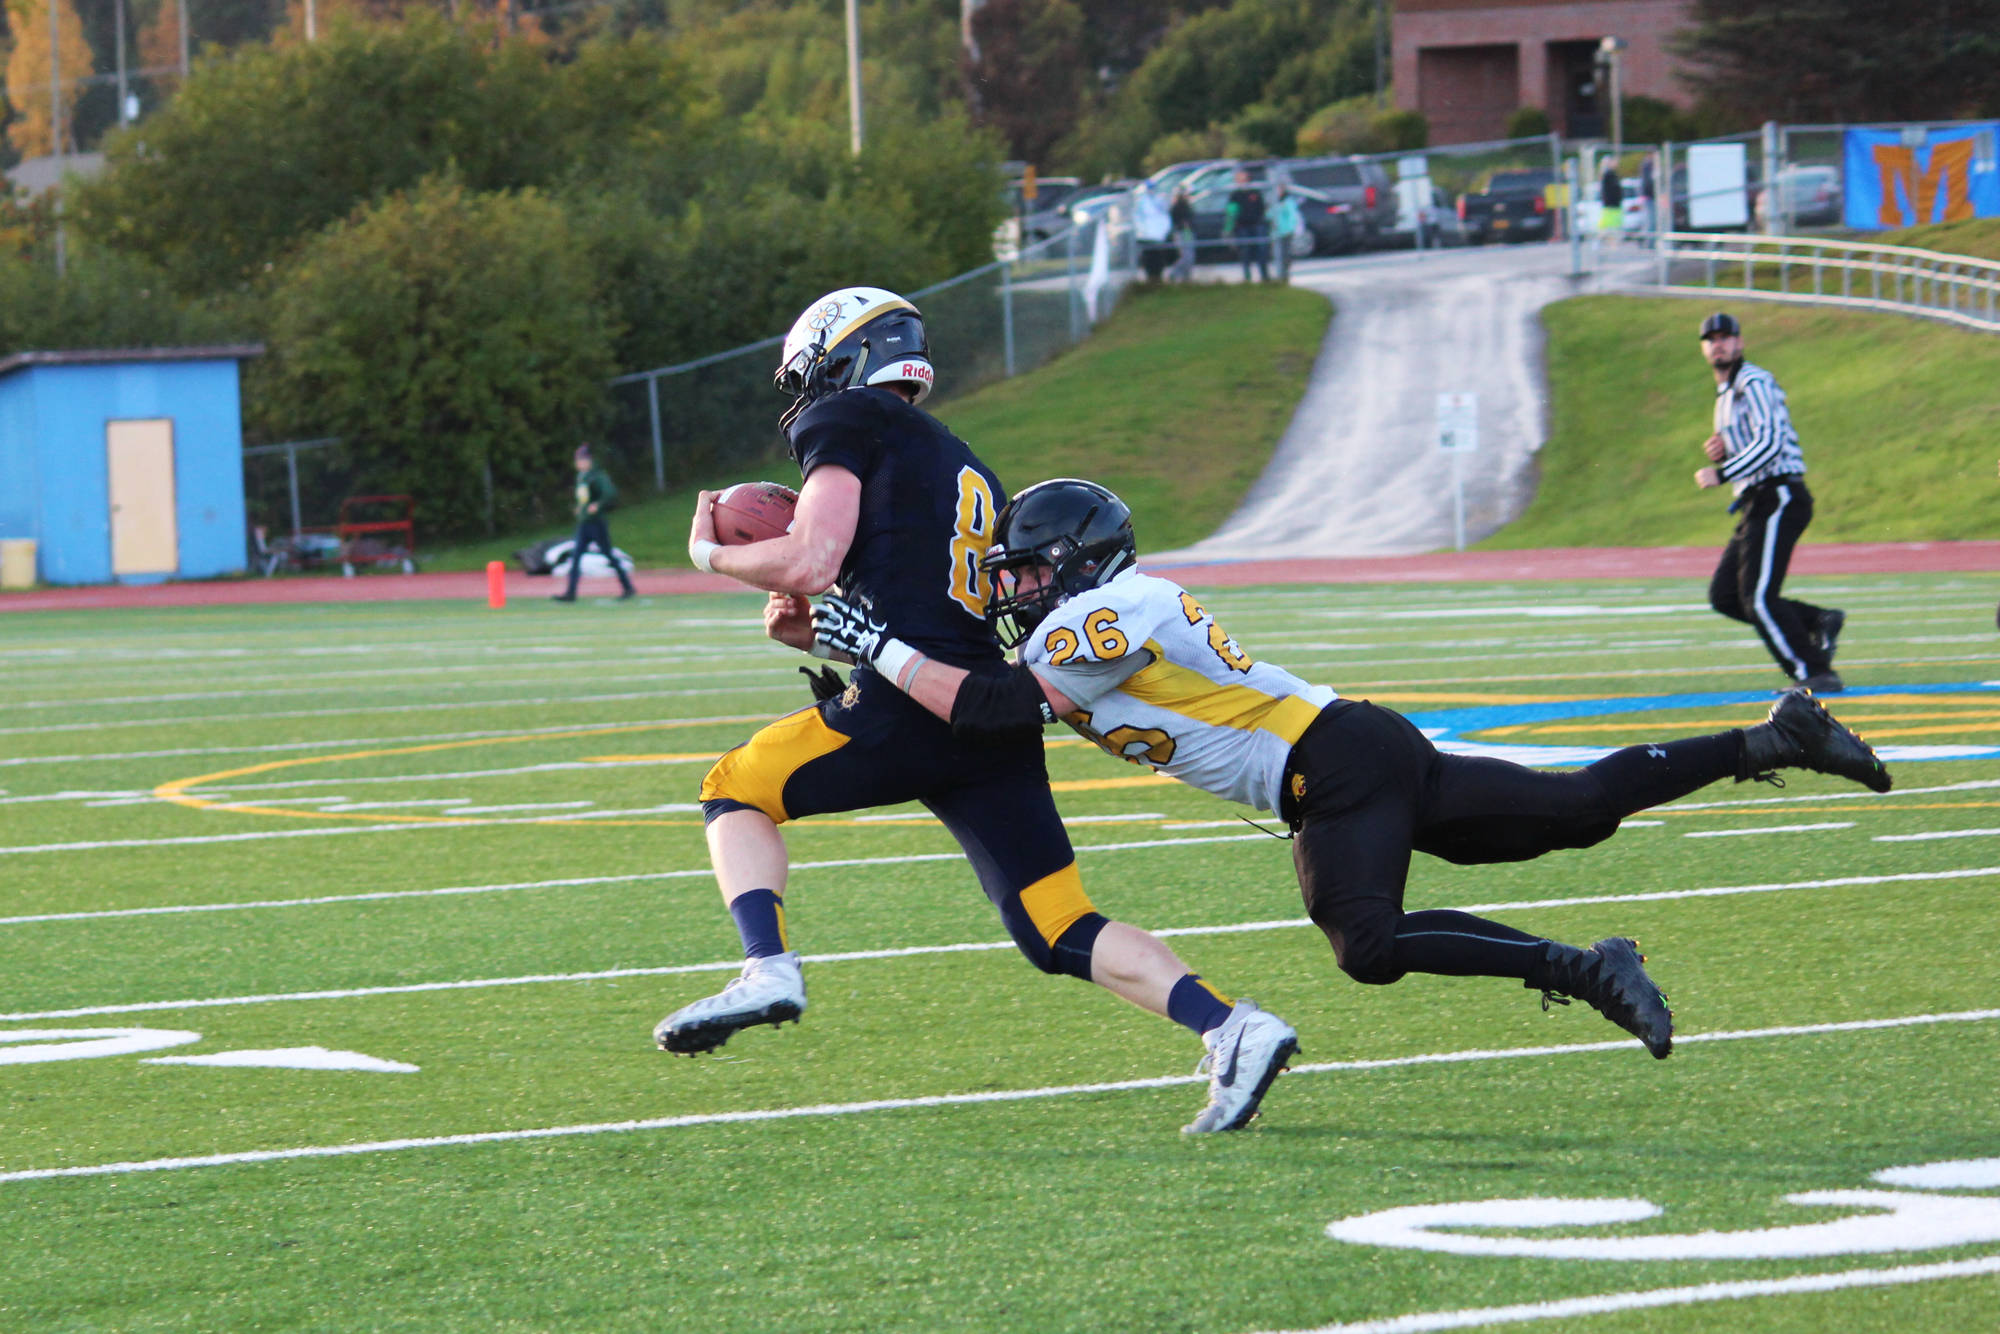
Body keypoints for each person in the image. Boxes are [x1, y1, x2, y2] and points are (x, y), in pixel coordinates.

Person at [813, 479, 1894, 1063]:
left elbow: (996, 705)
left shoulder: (1109, 609)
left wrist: (882, 648)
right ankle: (1775, 738)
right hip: (1351, 748)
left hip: (1329, 767)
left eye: (1029, 568)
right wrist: (865, 701)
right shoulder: (1087, 625)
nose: (1014, 588)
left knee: (1365, 942)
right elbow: (982, 722)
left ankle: (1585, 968)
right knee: (1574, 808)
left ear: (1080, 559)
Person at [660, 288, 1300, 1135]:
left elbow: (812, 560)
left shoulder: (845, 416)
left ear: (841, 357)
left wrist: (709, 554)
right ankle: (1231, 1027)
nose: (803, 392)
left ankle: (766, 967)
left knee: (732, 788)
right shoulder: (960, 460)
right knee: (1056, 923)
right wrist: (822, 635)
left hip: (909, 707)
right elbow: (922, 607)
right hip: (982, 710)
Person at [1694, 311, 1844, 692]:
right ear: (1704, 349)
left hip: (1778, 494)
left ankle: (1815, 672)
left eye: (1726, 337)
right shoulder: (1726, 395)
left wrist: (1723, 473)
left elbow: (1771, 442)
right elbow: (1752, 442)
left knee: (1759, 597)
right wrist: (1723, 451)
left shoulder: (1754, 381)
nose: (1719, 344)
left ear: (1740, 342)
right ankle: (1816, 621)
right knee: (1726, 595)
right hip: (1756, 501)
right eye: (1711, 339)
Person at [553, 444, 635, 602]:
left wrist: (598, 505)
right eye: (578, 460)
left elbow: (610, 493)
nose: (580, 463)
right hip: (584, 524)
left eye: (583, 459)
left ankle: (627, 587)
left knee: (608, 555)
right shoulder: (581, 477)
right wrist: (581, 508)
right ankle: (570, 592)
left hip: (596, 523)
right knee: (575, 557)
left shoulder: (597, 476)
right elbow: (584, 498)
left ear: (589, 460)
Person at [1225, 168, 1270, 283]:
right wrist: (1229, 228)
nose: (1240, 180)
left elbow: (1262, 208)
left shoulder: (1255, 192)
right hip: (1242, 227)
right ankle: (1247, 277)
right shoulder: (1235, 195)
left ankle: (1265, 276)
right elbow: (1231, 212)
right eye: (1238, 178)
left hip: (1257, 225)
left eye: (1242, 177)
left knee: (1261, 250)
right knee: (1245, 251)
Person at [1271, 186, 1303, 283]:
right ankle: (1281, 273)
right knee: (1278, 253)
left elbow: (1292, 216)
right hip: (1276, 232)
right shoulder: (1274, 202)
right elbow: (1269, 215)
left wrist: (1291, 228)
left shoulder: (1288, 202)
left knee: (1285, 253)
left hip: (1286, 231)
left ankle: (1285, 273)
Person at [1168, 187, 1197, 282]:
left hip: (1188, 233)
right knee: (1186, 256)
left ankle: (1186, 278)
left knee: (1190, 256)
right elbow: (1176, 221)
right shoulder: (1178, 206)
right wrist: (1183, 224)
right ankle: (1174, 274)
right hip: (1181, 233)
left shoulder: (1187, 205)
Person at [1599, 160, 1624, 237]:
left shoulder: (1612, 174)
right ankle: (1607, 238)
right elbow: (1610, 190)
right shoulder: (1608, 175)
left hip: (1614, 204)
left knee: (1614, 225)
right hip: (1611, 204)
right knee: (1609, 225)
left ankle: (1612, 239)